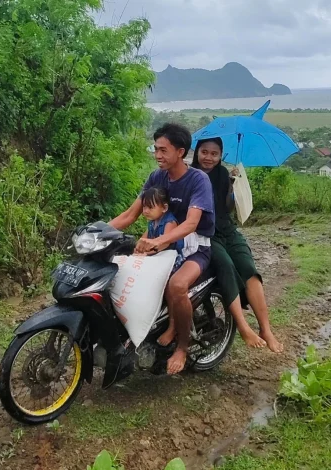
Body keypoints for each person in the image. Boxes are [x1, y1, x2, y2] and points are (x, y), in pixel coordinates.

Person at [110, 123, 215, 375]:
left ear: (180, 152)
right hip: (163, 245)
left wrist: (158, 242)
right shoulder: (156, 177)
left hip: (194, 248)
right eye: (155, 149)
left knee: (176, 286)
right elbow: (129, 215)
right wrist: (95, 231)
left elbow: (191, 223)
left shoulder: (198, 180)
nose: (158, 155)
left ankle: (182, 346)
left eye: (163, 150)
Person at [192, 137, 283, 353]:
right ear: (197, 152)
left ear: (221, 156)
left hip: (227, 230)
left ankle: (266, 329)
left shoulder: (223, 173)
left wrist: (233, 186)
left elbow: (228, 208)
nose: (209, 157)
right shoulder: (190, 175)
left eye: (214, 154)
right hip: (206, 233)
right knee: (226, 266)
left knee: (249, 270)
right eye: (204, 152)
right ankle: (243, 327)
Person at [136, 186, 186, 270]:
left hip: (171, 259)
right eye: (144, 207)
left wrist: (145, 253)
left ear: (164, 208)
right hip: (157, 256)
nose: (146, 211)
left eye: (150, 207)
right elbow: (143, 239)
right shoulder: (152, 222)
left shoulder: (170, 222)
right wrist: (136, 249)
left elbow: (165, 244)